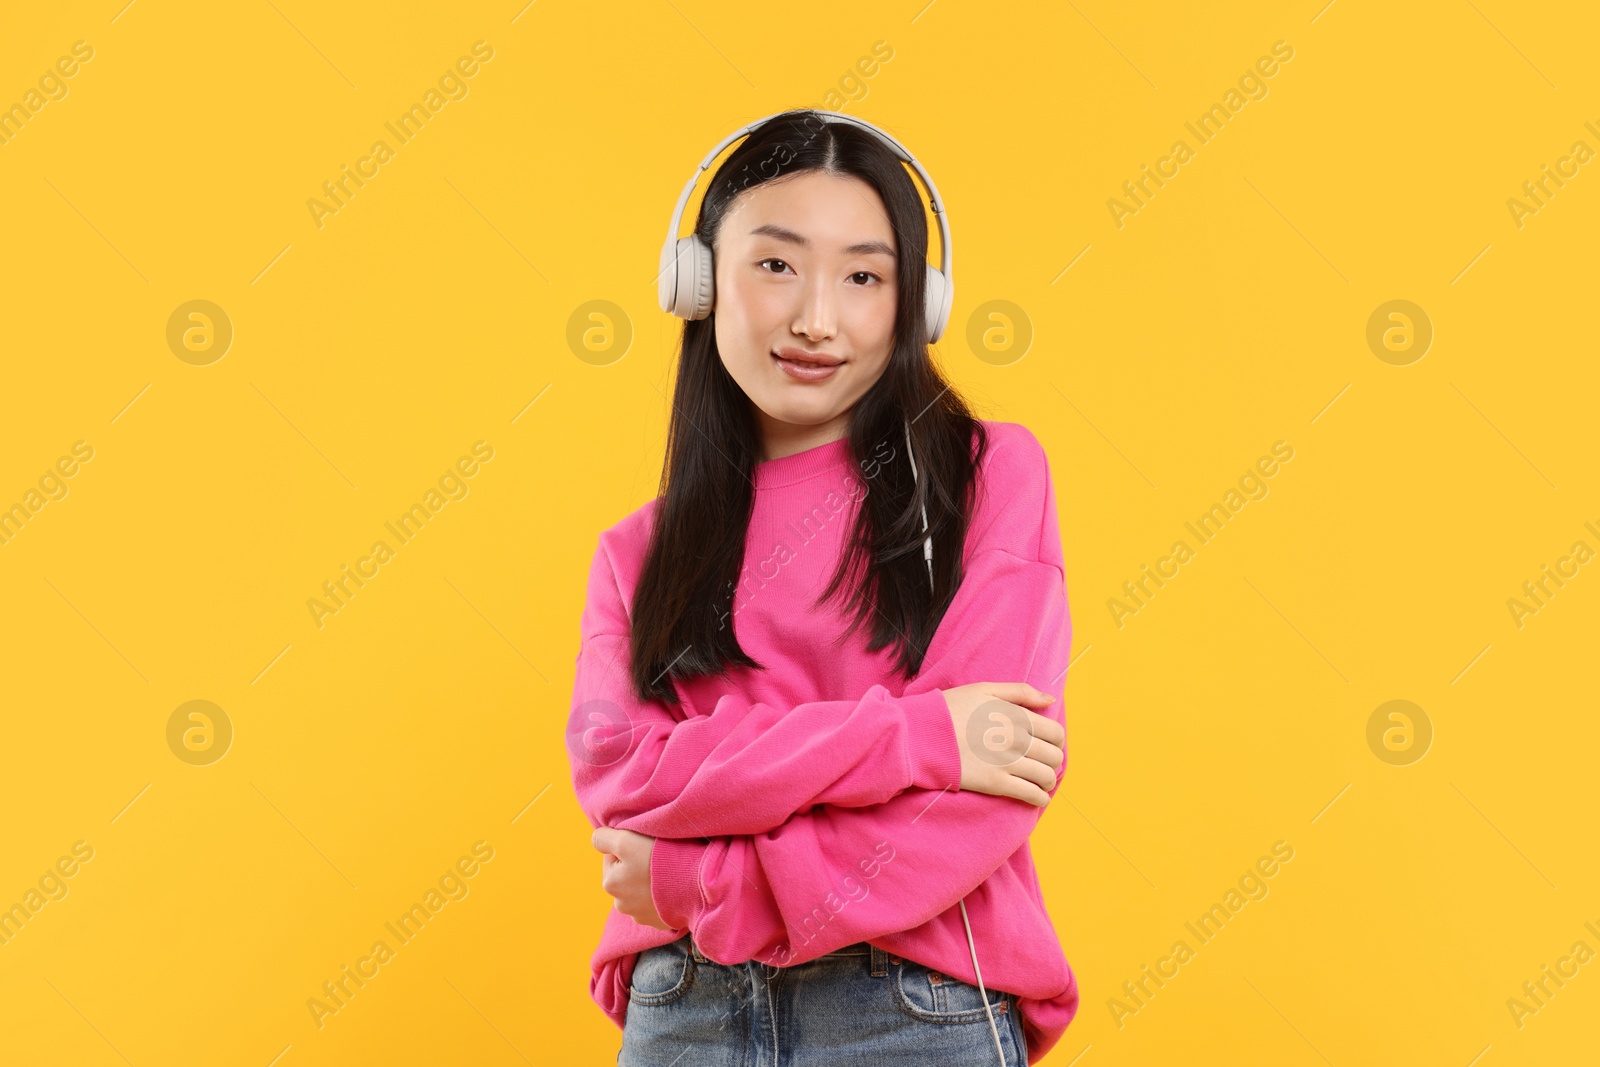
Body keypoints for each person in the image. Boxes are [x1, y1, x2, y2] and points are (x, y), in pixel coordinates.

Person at [565, 108, 1078, 1065]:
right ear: (697, 280)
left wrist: (702, 882)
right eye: (775, 264)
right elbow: (626, 776)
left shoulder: (985, 480)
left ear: (912, 304)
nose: (816, 317)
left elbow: (983, 793)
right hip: (686, 1004)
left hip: (913, 1007)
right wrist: (920, 733)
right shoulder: (636, 553)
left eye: (863, 276)